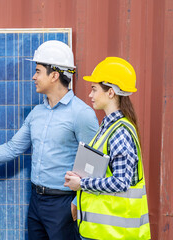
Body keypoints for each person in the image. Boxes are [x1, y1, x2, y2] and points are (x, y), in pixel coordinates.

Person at [0, 40, 99, 240]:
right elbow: (12, 147)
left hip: (64, 204)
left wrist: (77, 203)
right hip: (37, 202)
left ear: (54, 75)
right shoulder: (36, 113)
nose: (34, 77)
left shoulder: (82, 114)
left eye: (38, 71)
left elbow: (94, 164)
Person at [64, 57, 151, 239]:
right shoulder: (108, 126)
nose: (90, 95)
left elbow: (121, 182)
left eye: (94, 89)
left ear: (110, 92)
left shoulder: (120, 131)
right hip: (103, 232)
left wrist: (82, 184)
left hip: (115, 234)